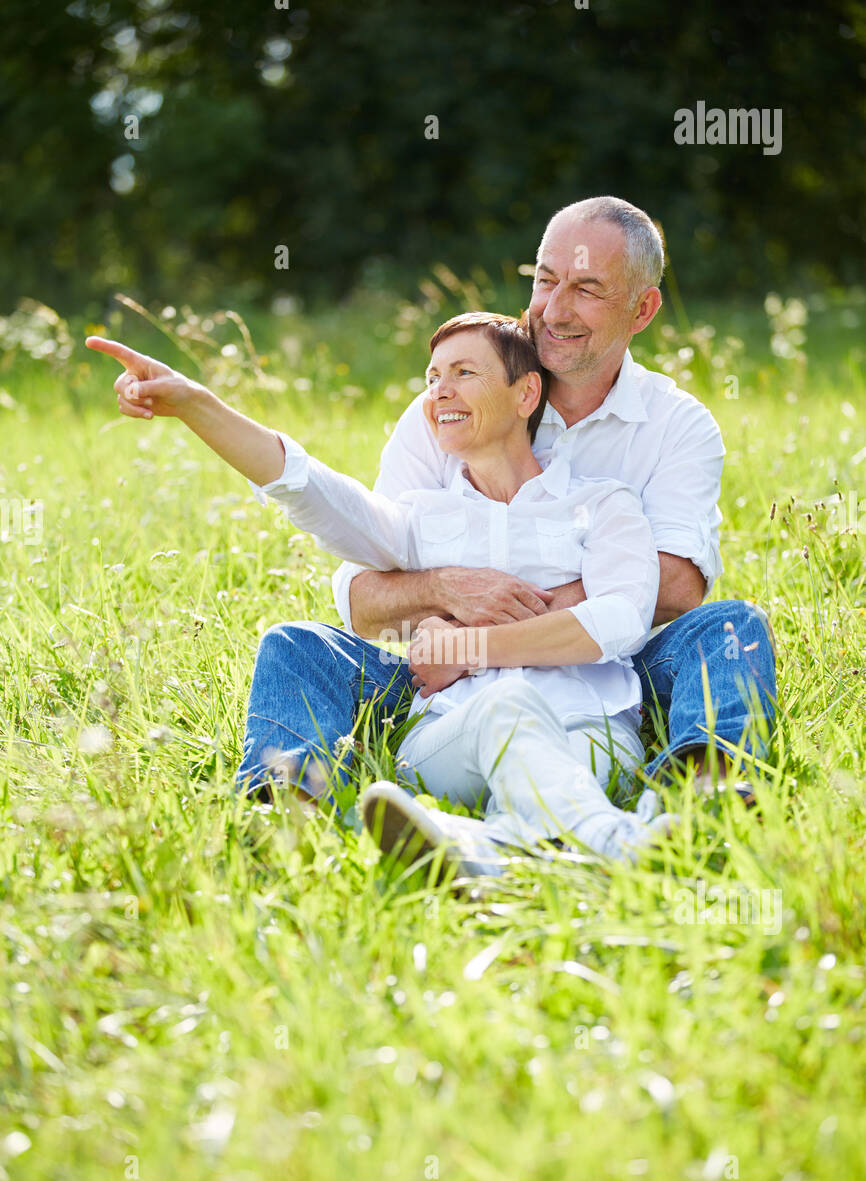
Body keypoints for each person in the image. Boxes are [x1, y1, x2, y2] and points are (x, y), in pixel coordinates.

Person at [232, 196, 777, 814]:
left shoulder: (676, 424)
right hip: (439, 678)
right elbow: (367, 595)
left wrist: (482, 633)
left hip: (607, 672)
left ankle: (709, 786)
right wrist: (447, 592)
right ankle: (288, 804)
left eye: (587, 289)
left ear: (642, 308)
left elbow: (677, 585)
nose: (554, 308)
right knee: (300, 647)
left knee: (731, 630)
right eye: (545, 280)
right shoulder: (450, 407)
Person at [86, 313, 678, 876]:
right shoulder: (419, 519)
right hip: (451, 738)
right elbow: (307, 486)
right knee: (505, 706)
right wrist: (196, 404)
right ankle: (617, 838)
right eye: (432, 378)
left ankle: (484, 846)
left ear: (526, 395)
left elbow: (621, 619)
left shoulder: (603, 504)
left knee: (529, 750)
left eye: (463, 373)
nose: (439, 391)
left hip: (590, 731)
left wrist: (470, 648)